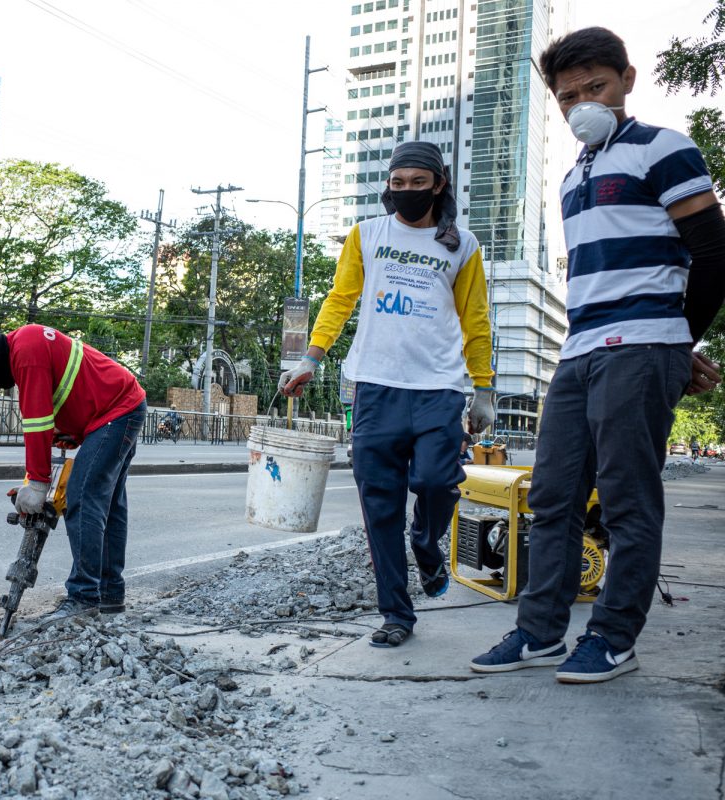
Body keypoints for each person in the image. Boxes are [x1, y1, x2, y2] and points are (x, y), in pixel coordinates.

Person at [470, 27, 725, 683]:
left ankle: (613, 637)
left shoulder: (663, 150)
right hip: (578, 351)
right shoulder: (572, 176)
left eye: (595, 88)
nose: (582, 102)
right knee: (553, 498)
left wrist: (678, 341)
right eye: (567, 96)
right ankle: (540, 632)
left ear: (627, 81)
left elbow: (714, 255)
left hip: (641, 348)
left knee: (625, 503)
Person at [280, 141, 496, 648]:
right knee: (379, 506)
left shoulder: (462, 245)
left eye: (417, 184)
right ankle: (396, 614)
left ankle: (427, 541)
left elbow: (476, 320)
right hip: (374, 386)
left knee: (439, 480)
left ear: (438, 184)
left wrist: (483, 389)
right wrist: (312, 357)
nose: (406, 192)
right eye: (397, 184)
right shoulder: (367, 234)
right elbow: (341, 299)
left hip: (439, 388)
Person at [0, 325, 147, 619]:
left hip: (117, 410)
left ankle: (84, 597)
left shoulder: (26, 353)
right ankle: (109, 594)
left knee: (82, 495)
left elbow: (37, 423)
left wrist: (38, 483)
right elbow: (68, 395)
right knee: (110, 505)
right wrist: (70, 431)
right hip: (120, 408)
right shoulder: (25, 347)